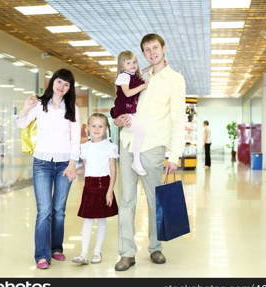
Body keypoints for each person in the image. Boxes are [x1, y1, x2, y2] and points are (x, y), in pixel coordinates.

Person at [113, 33, 186, 271]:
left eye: (155, 48)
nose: (151, 53)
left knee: (156, 201)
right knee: (126, 201)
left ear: (164, 48)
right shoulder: (137, 75)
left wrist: (174, 155)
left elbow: (178, 118)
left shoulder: (175, 79)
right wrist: (118, 119)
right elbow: (122, 105)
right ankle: (127, 253)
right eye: (147, 49)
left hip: (152, 147)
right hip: (127, 144)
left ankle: (155, 248)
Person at [16, 68, 80, 269]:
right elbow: (21, 123)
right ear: (53, 82)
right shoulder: (40, 104)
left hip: (64, 165)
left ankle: (56, 248)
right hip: (42, 163)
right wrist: (26, 108)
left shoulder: (72, 109)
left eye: (66, 84)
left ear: (70, 88)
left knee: (59, 211)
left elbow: (75, 139)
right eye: (59, 82)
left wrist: (72, 164)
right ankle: (42, 255)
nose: (62, 87)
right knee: (44, 211)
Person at [72, 113, 119, 265]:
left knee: (101, 220)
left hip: (104, 185)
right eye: (94, 126)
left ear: (106, 128)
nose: (97, 129)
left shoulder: (110, 147)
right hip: (89, 185)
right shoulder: (84, 147)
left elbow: (113, 171)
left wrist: (110, 191)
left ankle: (97, 251)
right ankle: (84, 253)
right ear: (88, 128)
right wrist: (73, 172)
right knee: (87, 220)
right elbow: (86, 169)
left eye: (100, 126)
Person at [110, 50, 148, 176]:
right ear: (122, 66)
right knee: (141, 131)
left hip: (129, 111)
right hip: (123, 111)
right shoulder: (123, 76)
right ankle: (136, 161)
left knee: (139, 132)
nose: (133, 64)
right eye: (128, 63)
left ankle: (136, 160)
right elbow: (127, 93)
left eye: (134, 62)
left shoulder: (132, 76)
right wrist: (143, 86)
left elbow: (143, 72)